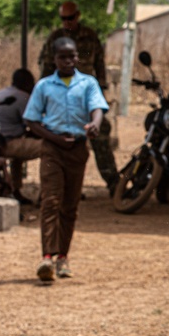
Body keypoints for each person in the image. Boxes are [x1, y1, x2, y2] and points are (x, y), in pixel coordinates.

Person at [24, 37, 108, 282]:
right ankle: (47, 257)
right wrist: (53, 138)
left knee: (69, 205)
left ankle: (63, 257)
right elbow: (31, 119)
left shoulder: (88, 83)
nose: (68, 61)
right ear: (55, 59)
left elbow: (97, 108)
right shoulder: (44, 86)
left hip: (77, 149)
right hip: (52, 148)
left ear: (77, 57)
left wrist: (94, 125)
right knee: (50, 201)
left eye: (72, 56)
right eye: (63, 57)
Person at [39, 0, 118, 192]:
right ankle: (62, 187)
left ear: (78, 15)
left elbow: (99, 64)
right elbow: (46, 68)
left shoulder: (90, 36)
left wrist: (100, 92)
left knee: (101, 134)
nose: (67, 22)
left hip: (86, 95)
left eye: (70, 17)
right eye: (63, 18)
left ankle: (114, 183)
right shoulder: (55, 38)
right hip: (61, 96)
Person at [0, 68, 43, 205]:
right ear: (27, 83)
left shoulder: (0, 93)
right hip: (8, 143)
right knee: (49, 149)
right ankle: (44, 195)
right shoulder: (23, 97)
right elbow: (33, 126)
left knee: (18, 158)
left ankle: (16, 190)